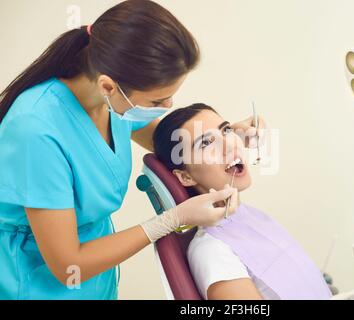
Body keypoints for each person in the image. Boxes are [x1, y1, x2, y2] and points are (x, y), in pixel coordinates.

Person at [0, 0, 261, 299]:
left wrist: (229, 137)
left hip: (99, 281)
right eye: (157, 101)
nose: (167, 108)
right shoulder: (36, 131)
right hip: (38, 283)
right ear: (109, 86)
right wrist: (170, 220)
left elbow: (174, 145)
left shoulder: (112, 104)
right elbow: (68, 263)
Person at [152, 103, 331, 300]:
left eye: (226, 131)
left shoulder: (249, 216)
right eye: (205, 143)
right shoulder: (213, 251)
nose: (230, 144)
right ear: (185, 177)